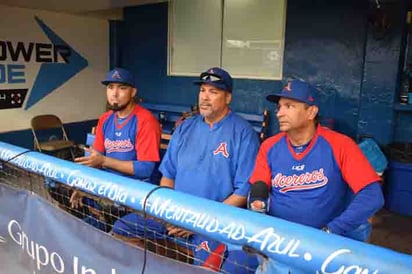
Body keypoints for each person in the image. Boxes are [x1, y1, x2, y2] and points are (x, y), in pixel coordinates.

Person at [112, 67, 260, 273]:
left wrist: (197, 222)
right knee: (123, 228)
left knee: (207, 267)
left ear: (228, 98)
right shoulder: (185, 127)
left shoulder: (243, 133)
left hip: (213, 224)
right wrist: (170, 212)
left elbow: (242, 193)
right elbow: (168, 176)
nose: (205, 98)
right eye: (202, 91)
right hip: (175, 215)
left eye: (213, 92)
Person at [249, 79, 384, 237]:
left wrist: (332, 230)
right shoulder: (269, 146)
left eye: (289, 106)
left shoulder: (340, 145)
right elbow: (259, 187)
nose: (279, 113)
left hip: (323, 243)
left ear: (311, 112)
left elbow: (372, 196)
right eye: (279, 107)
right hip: (278, 239)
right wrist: (257, 209)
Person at [70, 67, 161, 229]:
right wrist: (81, 185)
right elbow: (94, 159)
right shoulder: (105, 119)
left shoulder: (145, 120)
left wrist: (104, 160)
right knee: (60, 189)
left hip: (134, 190)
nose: (114, 93)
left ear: (133, 92)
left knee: (106, 213)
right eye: (110, 87)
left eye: (122, 88)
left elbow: (145, 169)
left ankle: (104, 230)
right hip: (107, 184)